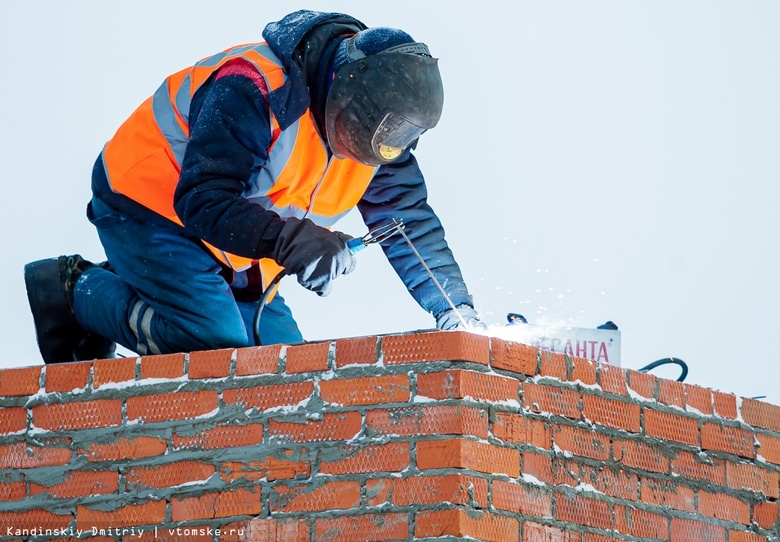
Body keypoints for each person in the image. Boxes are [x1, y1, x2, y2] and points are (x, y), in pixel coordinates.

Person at [24, 10, 483, 364]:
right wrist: (295, 240)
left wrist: (454, 310)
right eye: (375, 135)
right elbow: (203, 200)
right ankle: (73, 288)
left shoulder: (379, 138)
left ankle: (163, 285)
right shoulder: (254, 85)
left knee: (285, 370)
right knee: (214, 344)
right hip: (149, 206)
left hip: (236, 240)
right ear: (345, 91)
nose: (382, 151)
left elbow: (410, 225)